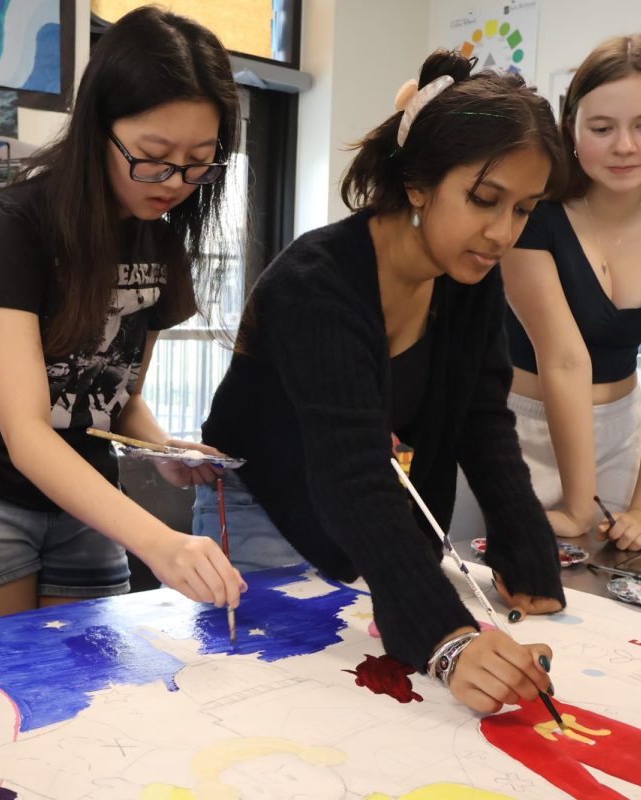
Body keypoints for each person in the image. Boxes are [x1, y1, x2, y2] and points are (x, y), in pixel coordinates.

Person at [193, 50, 568, 714]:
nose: (502, 232)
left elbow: (482, 419)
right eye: (485, 200)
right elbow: (352, 471)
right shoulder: (316, 283)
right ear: (417, 183)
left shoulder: (468, 276)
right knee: (275, 718)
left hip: (368, 522)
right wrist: (447, 639)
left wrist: (526, 548)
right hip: (262, 517)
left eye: (523, 209)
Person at [0, 7, 246, 623]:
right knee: (12, 665)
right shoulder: (19, 226)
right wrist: (159, 542)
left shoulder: (161, 239)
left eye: (199, 160)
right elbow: (26, 434)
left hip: (84, 488)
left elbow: (119, 394)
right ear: (98, 127)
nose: (175, 181)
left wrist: (160, 449)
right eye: (153, 155)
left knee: (89, 667)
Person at [501, 34, 641, 550]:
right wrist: (579, 506)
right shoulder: (535, 209)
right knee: (491, 581)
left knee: (611, 588)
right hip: (516, 429)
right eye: (602, 129)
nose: (624, 146)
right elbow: (564, 360)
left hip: (622, 431)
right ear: (572, 129)